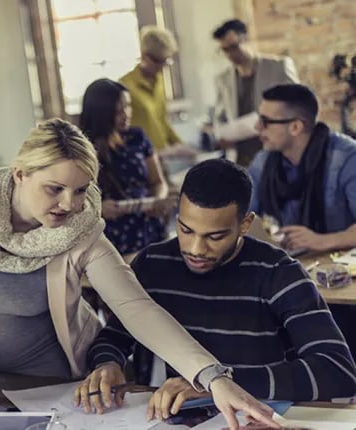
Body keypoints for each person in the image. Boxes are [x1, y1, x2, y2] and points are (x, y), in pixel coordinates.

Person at [0, 118, 278, 429]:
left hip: (51, 389)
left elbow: (138, 309)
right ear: (20, 174)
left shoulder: (83, 234)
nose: (69, 204)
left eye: (81, 189)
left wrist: (213, 377)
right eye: (55, 189)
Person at [77, 158, 356, 422]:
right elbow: (113, 337)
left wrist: (218, 382)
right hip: (184, 418)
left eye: (215, 236)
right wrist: (107, 365)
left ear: (245, 224)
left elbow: (338, 370)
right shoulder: (153, 264)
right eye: (186, 230)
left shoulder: (279, 272)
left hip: (258, 415)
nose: (196, 249)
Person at [248, 84, 356, 253]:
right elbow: (245, 218)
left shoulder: (347, 157)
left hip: (337, 269)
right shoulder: (262, 162)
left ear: (296, 127)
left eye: (266, 121)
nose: (257, 127)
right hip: (284, 265)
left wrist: (322, 241)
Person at [79, 78, 171, 255]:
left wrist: (157, 200)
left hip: (148, 226)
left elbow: (158, 182)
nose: (126, 114)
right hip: (109, 236)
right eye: (118, 111)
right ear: (101, 113)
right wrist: (99, 210)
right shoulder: (83, 149)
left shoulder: (137, 137)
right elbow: (73, 201)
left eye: (128, 106)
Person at [212, 19, 299, 166]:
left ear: (247, 39)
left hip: (277, 155)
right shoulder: (223, 79)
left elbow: (297, 104)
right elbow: (219, 117)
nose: (230, 55)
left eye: (234, 47)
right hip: (241, 159)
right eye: (225, 50)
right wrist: (219, 135)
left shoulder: (278, 67)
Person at [119, 26, 183, 153]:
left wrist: (180, 145)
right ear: (144, 56)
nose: (162, 67)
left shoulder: (159, 81)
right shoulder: (125, 87)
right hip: (141, 161)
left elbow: (162, 120)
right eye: (159, 61)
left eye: (166, 61)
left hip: (163, 158)